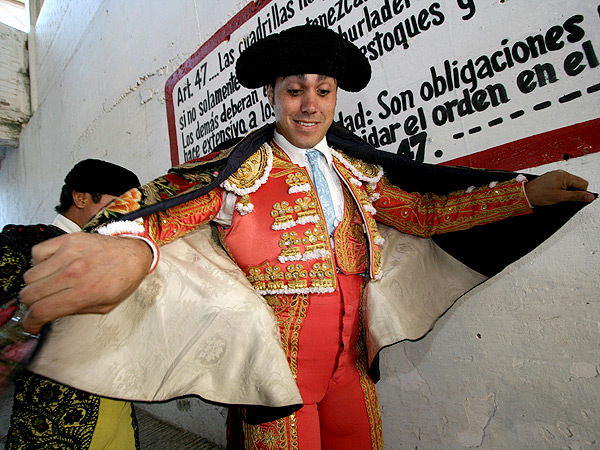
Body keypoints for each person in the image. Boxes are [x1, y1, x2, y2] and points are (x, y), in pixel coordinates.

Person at [17, 25, 594, 450]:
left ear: (336, 97)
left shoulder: (358, 172)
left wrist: (525, 196)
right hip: (276, 373)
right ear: (273, 95)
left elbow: (424, 214)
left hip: (352, 365)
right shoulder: (243, 168)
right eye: (295, 90)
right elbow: (163, 208)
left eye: (323, 90)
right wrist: (127, 246)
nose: (310, 104)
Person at [1, 159, 141, 450]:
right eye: (117, 205)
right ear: (81, 198)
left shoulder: (119, 252)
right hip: (53, 418)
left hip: (118, 405)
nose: (127, 215)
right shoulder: (25, 244)